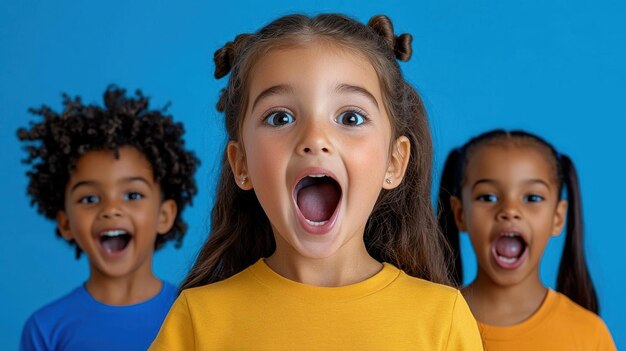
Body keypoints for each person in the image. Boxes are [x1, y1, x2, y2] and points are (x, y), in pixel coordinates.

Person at [150, 13, 483, 350]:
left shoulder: (442, 318)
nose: (315, 138)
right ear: (242, 164)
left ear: (394, 162)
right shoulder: (199, 319)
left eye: (350, 117)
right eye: (280, 117)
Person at [17, 86, 200, 351]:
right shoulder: (45, 329)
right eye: (89, 199)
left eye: (133, 195)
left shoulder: (195, 314)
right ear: (66, 223)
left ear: (164, 215)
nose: (111, 209)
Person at [437, 129, 616, 350]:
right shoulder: (433, 323)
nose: (510, 210)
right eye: (488, 197)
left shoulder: (589, 334)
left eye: (532, 197)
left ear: (557, 217)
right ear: (460, 214)